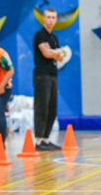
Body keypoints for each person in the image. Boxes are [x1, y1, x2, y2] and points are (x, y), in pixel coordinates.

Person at [33, 8, 64, 151]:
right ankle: (38, 140)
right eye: (49, 17)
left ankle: (46, 139)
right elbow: (46, 53)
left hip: (53, 75)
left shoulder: (54, 38)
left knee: (52, 108)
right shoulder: (40, 35)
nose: (51, 20)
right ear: (44, 18)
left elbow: (60, 57)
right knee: (42, 107)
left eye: (54, 17)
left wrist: (55, 53)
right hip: (42, 75)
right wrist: (55, 53)